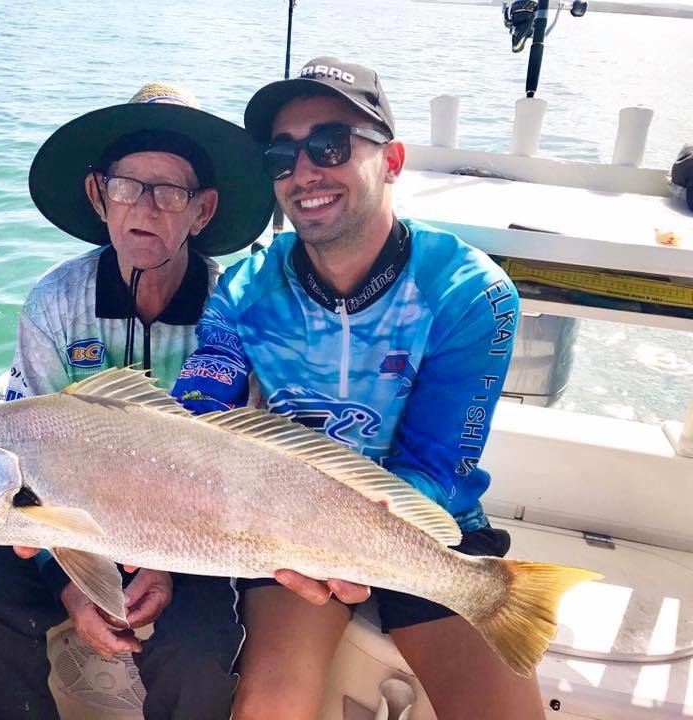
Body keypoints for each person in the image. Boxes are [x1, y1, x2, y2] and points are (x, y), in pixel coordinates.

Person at [171, 57, 542, 720]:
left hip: (431, 531)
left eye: (330, 146)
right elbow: (198, 416)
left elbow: (435, 469)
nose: (303, 172)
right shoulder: (242, 291)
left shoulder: (469, 294)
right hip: (286, 531)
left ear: (392, 159)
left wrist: (350, 538)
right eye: (282, 155)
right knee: (268, 706)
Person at [0, 82, 274, 720]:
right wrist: (71, 585)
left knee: (200, 653)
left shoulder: (235, 311)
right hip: (60, 523)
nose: (146, 208)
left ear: (202, 211)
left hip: (191, 532)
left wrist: (164, 565)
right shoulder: (55, 303)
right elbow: (29, 465)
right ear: (98, 195)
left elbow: (234, 466)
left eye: (171, 192)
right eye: (125, 185)